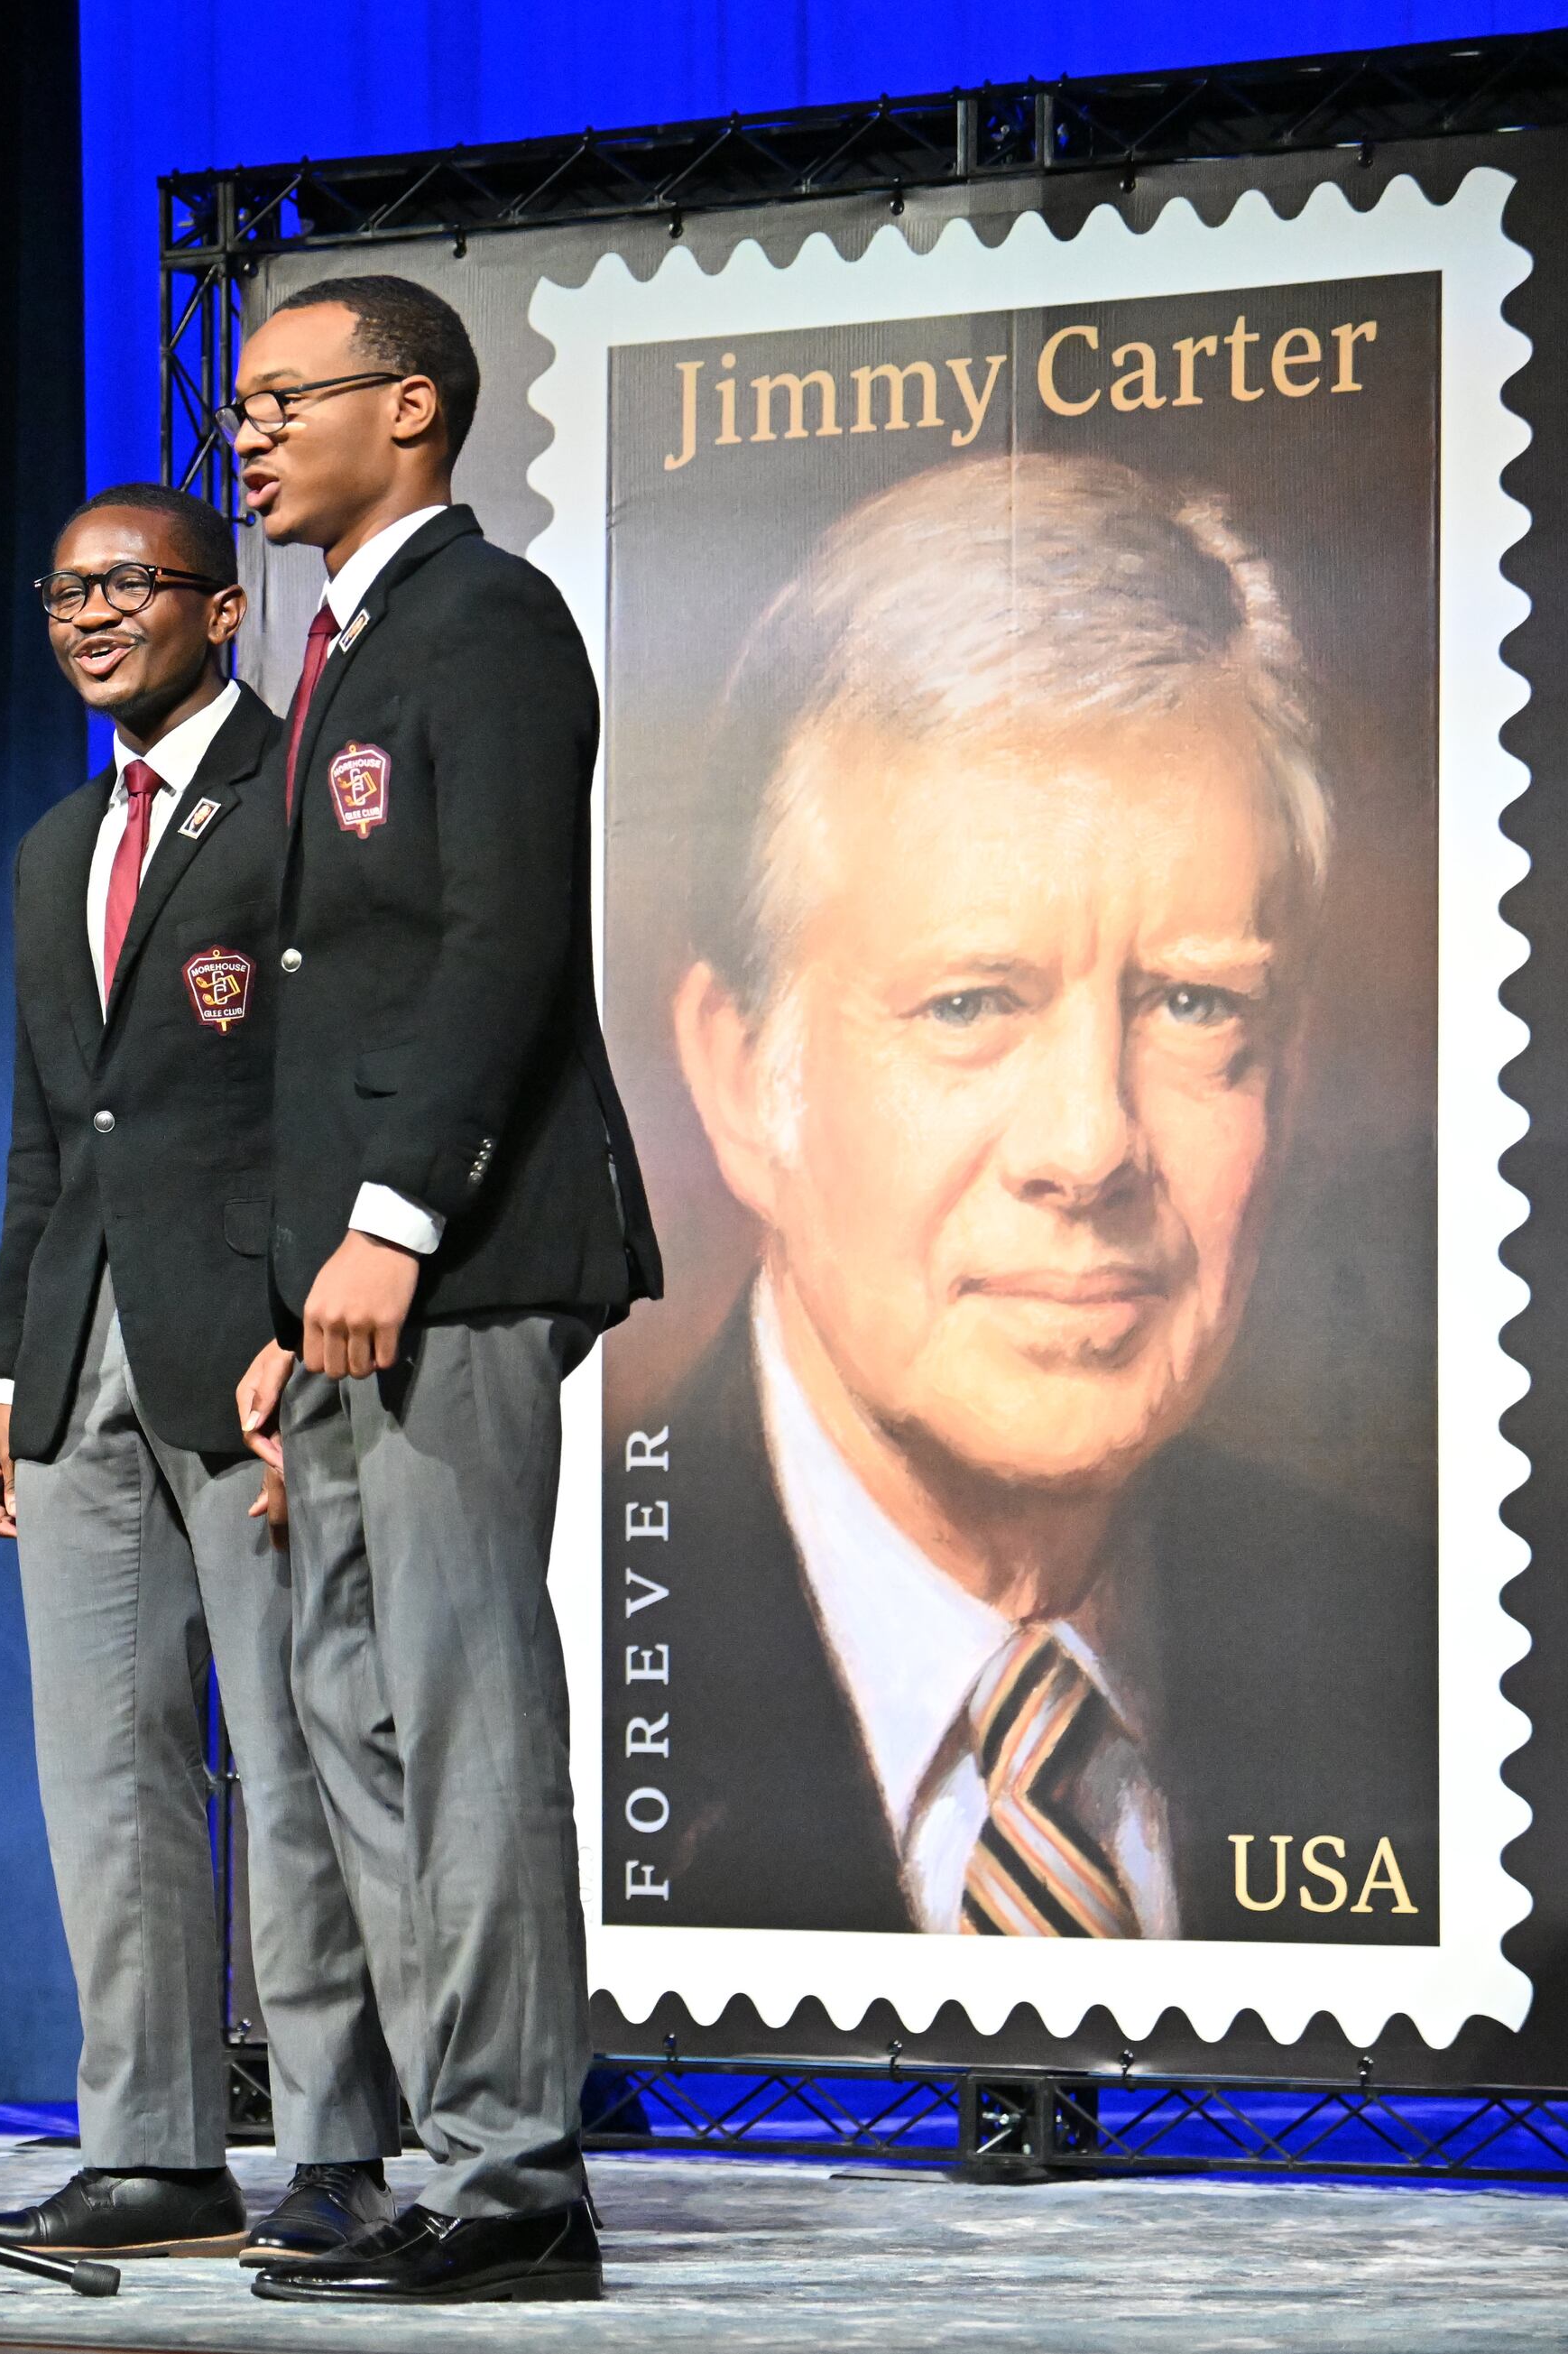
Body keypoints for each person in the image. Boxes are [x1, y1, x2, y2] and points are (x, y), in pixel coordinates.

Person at [632, 452, 1434, 1940]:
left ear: (1294, 1066)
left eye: (1195, 1004)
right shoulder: (548, 1628)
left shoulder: (1440, 1669)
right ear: (746, 1079)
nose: (1088, 1143)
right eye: (970, 1003)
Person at [224, 275, 661, 2307]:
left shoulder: (484, 626)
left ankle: (520, 2178)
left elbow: (499, 945)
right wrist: (290, 1292)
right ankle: (451, 2135)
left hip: (458, 1261)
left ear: (407, 407)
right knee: (348, 1699)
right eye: (239, 402)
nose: (247, 433)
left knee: (462, 1703)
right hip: (351, 1280)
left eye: (280, 399)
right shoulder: (346, 644)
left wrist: (394, 1222)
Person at [0, 484, 396, 2265]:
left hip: (258, 1352)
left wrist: (305, 1320)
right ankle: (148, 2147)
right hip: (82, 1360)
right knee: (107, 1765)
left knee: (294, 1758)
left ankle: (342, 2146)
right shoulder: (55, 847)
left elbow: (336, 1093)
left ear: (224, 610)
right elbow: (50, 1140)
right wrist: (1, 1374)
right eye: (64, 592)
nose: (90, 615)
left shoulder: (304, 804)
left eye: (128, 585)